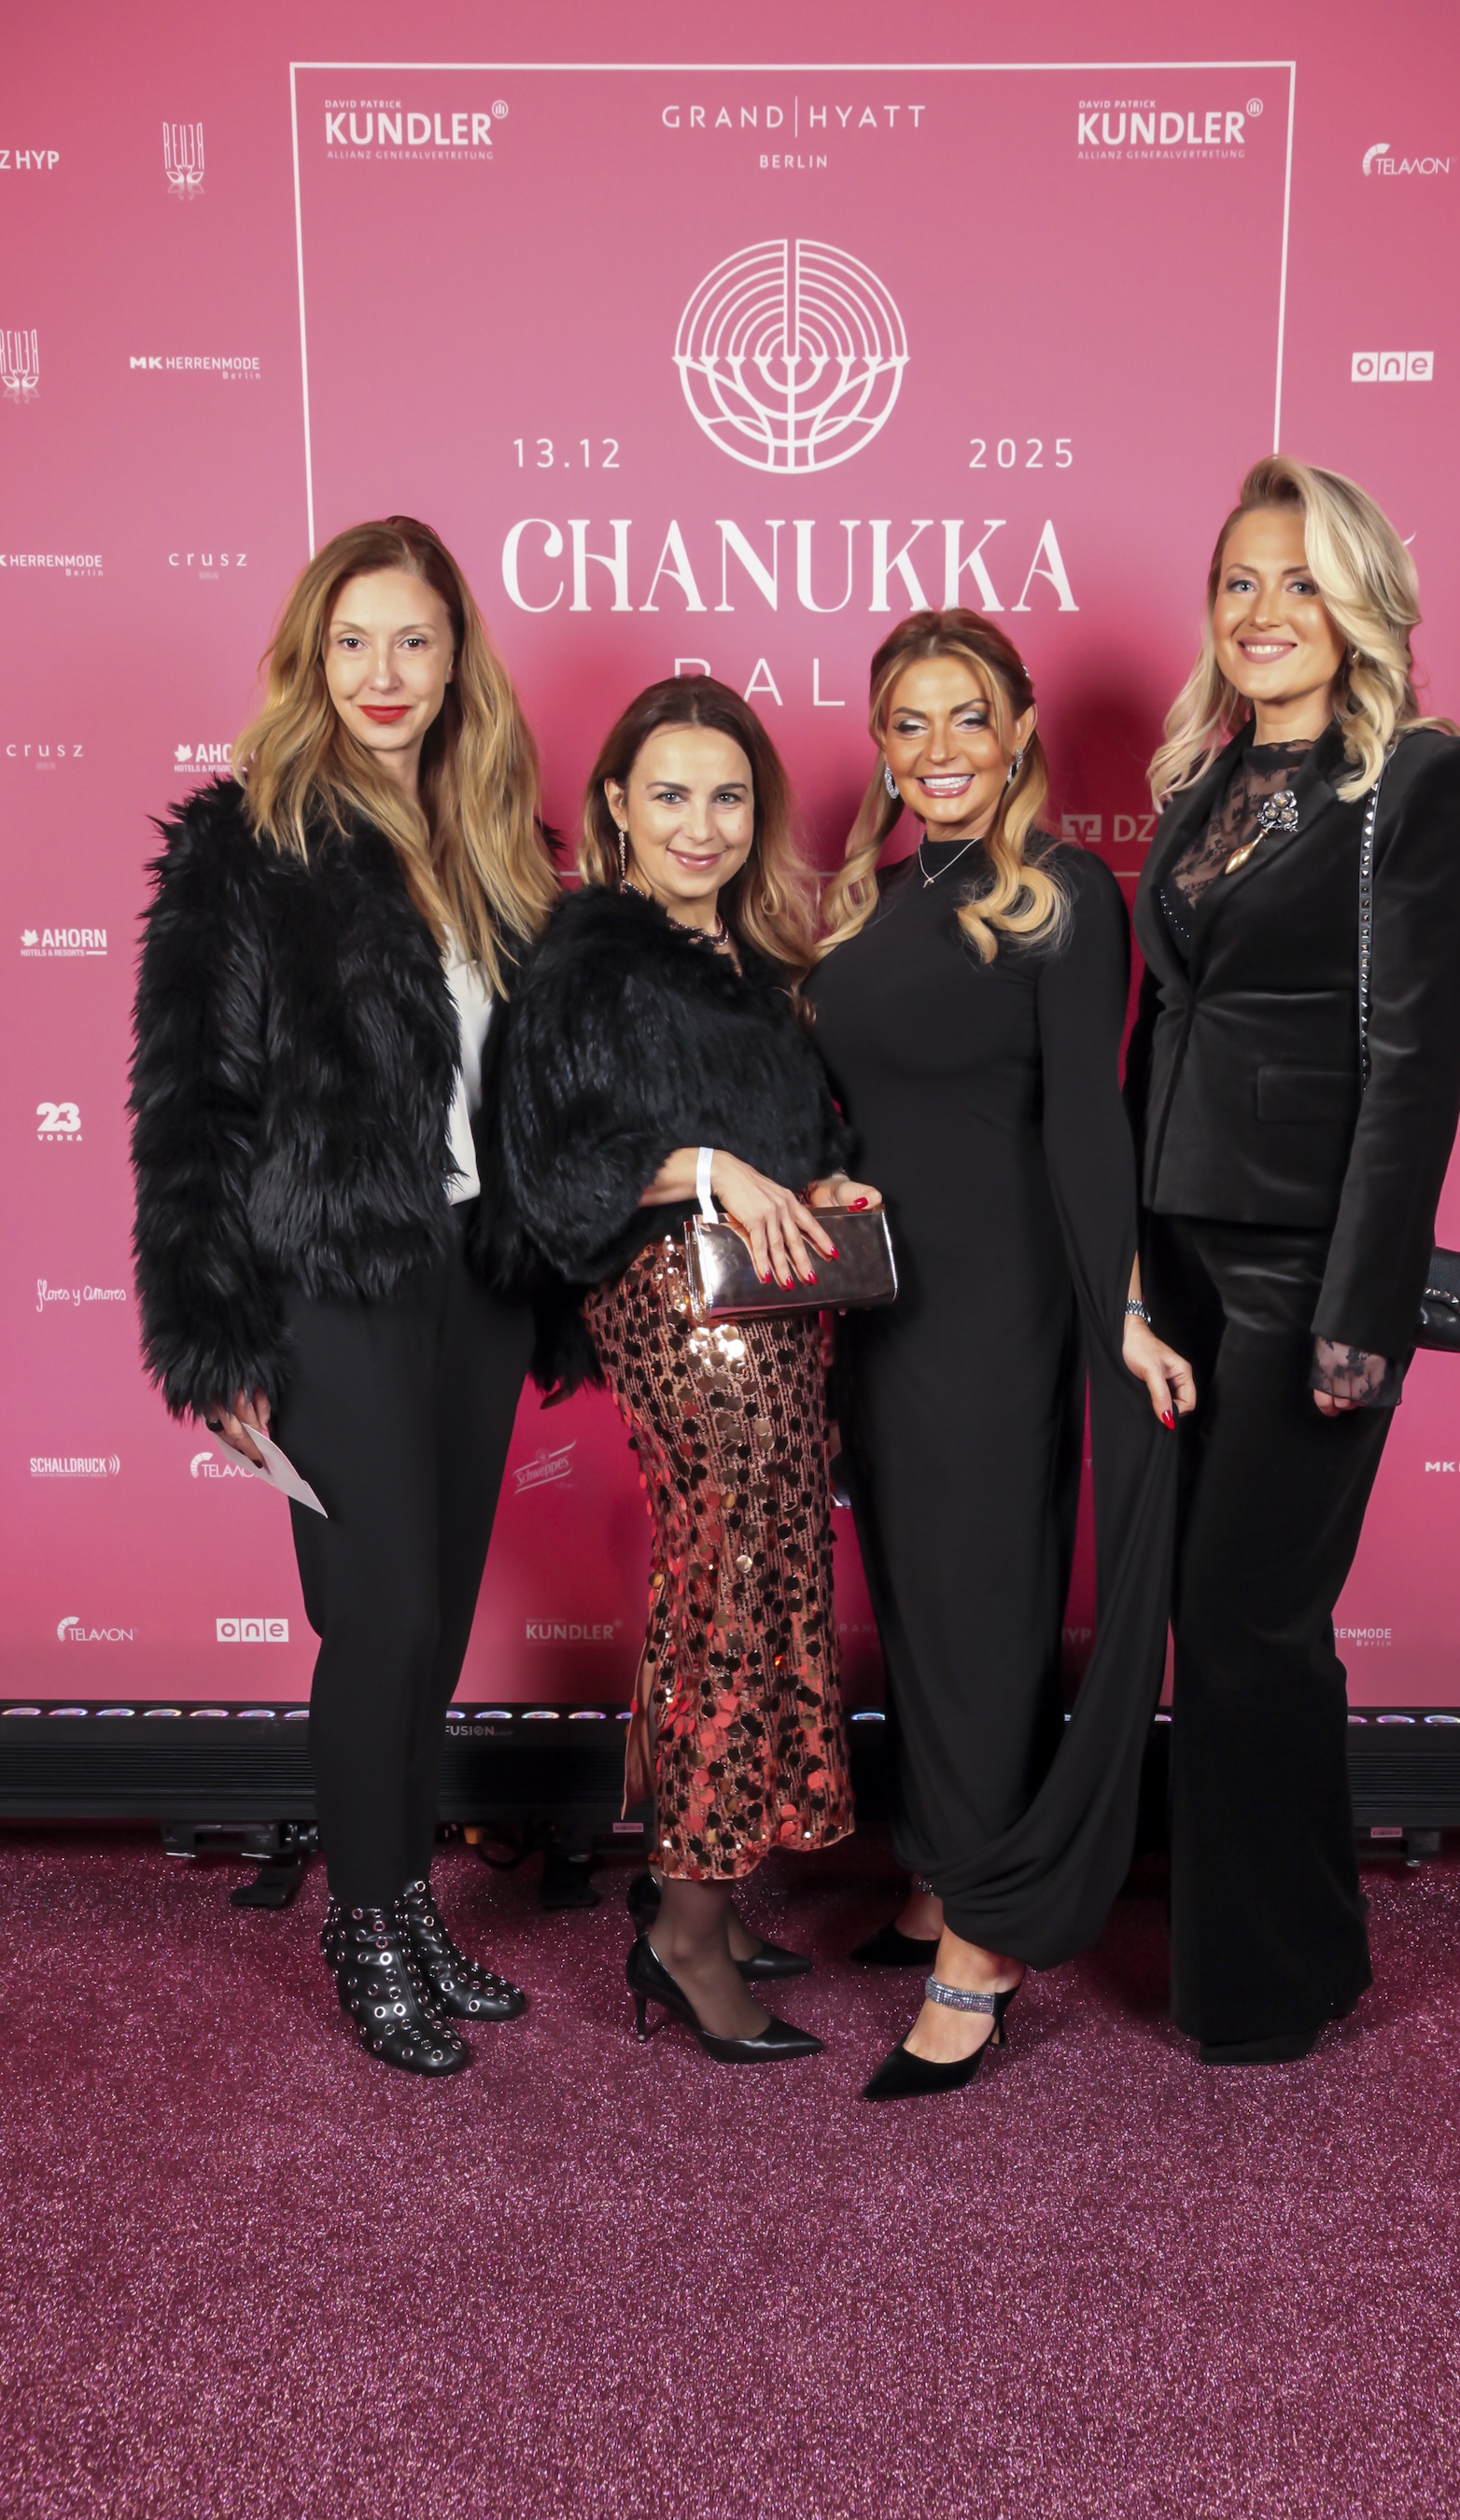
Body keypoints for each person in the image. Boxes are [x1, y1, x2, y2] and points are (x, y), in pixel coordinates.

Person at [130, 516, 558, 2077]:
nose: (384, 673)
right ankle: (366, 1928)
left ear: (456, 662)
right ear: (313, 658)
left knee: (433, 1621)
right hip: (333, 1275)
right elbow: (192, 1108)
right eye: (354, 641)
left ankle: (409, 1902)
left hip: (476, 1272)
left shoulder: (497, 838)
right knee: (378, 1617)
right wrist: (214, 1328)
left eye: (414, 641)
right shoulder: (244, 844)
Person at [1128, 455, 1460, 2063]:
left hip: (1302, 1270)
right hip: (1182, 1252)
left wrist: (1363, 1311)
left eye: (1301, 581)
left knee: (1243, 1620)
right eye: (1240, 582)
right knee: (1228, 1625)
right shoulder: (1206, 781)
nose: (1264, 611)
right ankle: (1302, 1947)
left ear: (1360, 605)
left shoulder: (1415, 777)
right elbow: (1173, 1024)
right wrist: (1125, 1254)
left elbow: (1416, 1067)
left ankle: (1263, 1992)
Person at [806, 610, 1190, 2101]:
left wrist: (1126, 1308)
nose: (941, 749)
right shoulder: (869, 900)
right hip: (881, 1307)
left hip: (998, 1309)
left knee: (983, 1609)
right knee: (916, 1600)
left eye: (970, 716)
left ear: (1022, 729)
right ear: (882, 745)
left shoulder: (1064, 894)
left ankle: (981, 1954)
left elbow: (1089, 1122)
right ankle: (942, 1868)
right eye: (910, 722)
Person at [504, 677, 872, 2065]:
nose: (701, 826)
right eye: (669, 795)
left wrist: (824, 1184)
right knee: (732, 1586)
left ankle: (695, 1890)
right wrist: (712, 1167)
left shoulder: (754, 962)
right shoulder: (586, 961)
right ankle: (687, 1939)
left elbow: (787, 1143)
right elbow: (553, 1175)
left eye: (727, 797)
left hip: (774, 1312)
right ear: (616, 804)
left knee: (756, 1576)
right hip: (675, 1307)